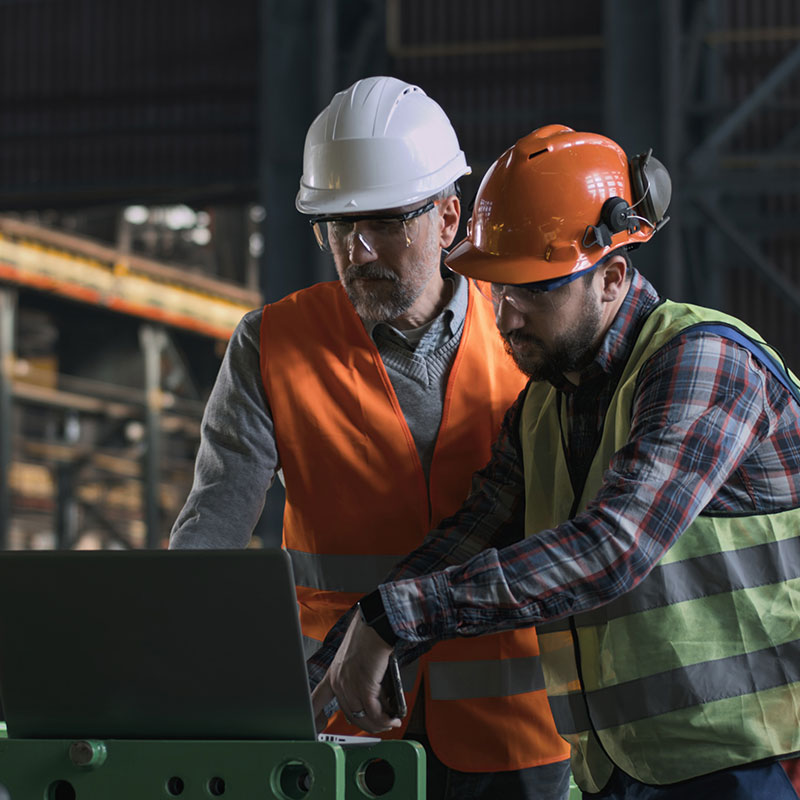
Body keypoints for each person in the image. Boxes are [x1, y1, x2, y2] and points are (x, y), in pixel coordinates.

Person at [310, 123, 800, 800]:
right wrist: (326, 665)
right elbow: (468, 537)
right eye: (497, 288)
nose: (505, 317)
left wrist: (397, 617)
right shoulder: (543, 406)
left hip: (753, 766)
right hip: (617, 772)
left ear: (613, 276)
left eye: (534, 290)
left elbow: (613, 547)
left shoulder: (704, 363)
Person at [170, 79, 570, 799]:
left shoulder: (526, 333)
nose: (357, 251)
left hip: (516, 726)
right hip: (342, 725)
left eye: (385, 224)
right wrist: (169, 672)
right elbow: (210, 533)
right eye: (336, 226)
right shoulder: (272, 345)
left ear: (448, 217)